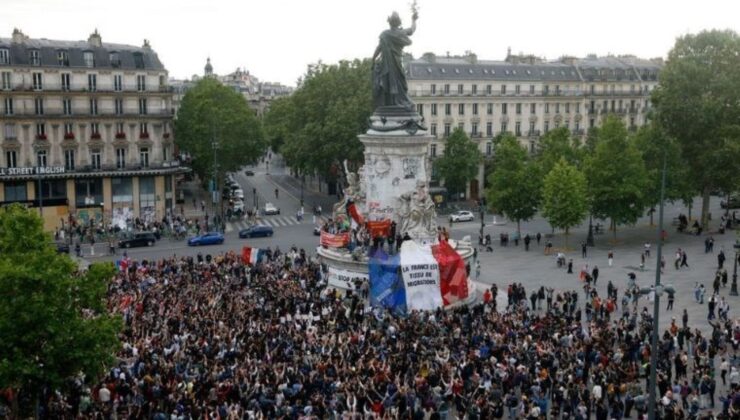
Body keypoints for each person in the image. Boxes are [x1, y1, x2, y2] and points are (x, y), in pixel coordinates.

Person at [372, 6, 418, 111]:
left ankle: (391, 102)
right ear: (399, 22)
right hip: (396, 62)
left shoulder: (385, 34)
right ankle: (398, 101)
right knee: (400, 82)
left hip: (387, 64)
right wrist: (414, 20)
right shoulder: (400, 33)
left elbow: (378, 48)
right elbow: (412, 29)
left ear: (389, 22)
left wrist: (373, 59)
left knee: (389, 81)